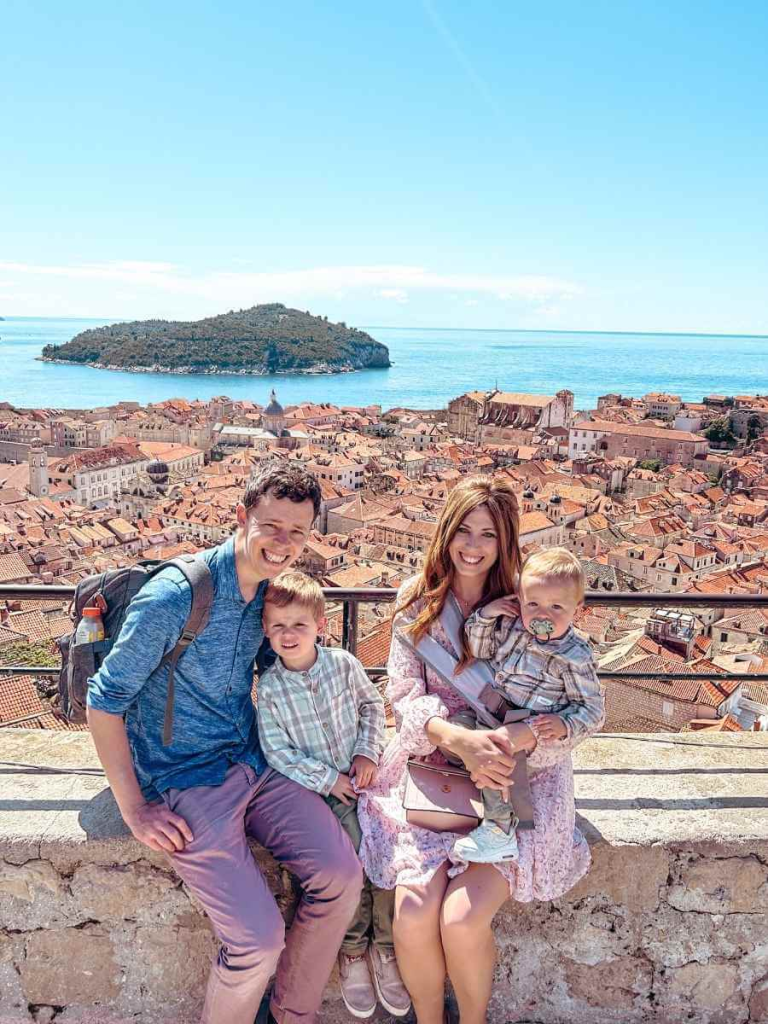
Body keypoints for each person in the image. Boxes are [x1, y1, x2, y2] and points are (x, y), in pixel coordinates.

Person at [86, 465, 363, 1024]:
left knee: (342, 877)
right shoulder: (174, 598)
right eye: (272, 526)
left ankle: (293, 1014)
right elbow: (104, 700)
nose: (284, 544)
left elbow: (285, 671)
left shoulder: (268, 594)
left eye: (299, 533)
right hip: (184, 778)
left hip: (255, 764)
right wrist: (134, 808)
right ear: (241, 518)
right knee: (257, 942)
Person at [356, 476, 601, 1024]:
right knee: (413, 914)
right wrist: (460, 740)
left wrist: (516, 742)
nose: (472, 545)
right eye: (463, 530)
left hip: (517, 783)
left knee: (462, 920)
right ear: (446, 533)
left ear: (504, 540)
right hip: (435, 770)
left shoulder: (530, 605)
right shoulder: (414, 601)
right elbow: (401, 696)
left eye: (487, 534)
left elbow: (579, 718)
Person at [257, 572, 411, 1020]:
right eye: (279, 625)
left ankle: (385, 947)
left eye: (299, 625)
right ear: (266, 631)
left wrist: (366, 753)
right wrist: (329, 780)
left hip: (369, 780)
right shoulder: (269, 690)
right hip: (327, 794)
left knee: (392, 856)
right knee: (356, 862)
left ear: (319, 625)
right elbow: (277, 752)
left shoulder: (344, 664)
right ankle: (352, 951)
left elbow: (370, 706)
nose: (289, 634)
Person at [452, 547, 605, 864]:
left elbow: (593, 711)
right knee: (456, 731)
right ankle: (473, 782)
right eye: (532, 604)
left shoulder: (575, 655)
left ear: (578, 608)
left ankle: (499, 832)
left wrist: (561, 725)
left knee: (497, 757)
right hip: (490, 713)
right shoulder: (512, 627)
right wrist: (488, 614)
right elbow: (477, 649)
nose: (542, 616)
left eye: (556, 607)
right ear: (519, 600)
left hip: (529, 731)